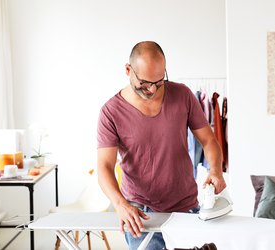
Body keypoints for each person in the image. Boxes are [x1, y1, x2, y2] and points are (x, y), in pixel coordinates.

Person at [97, 41, 226, 249]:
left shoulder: (183, 95)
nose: (152, 89)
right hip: (140, 213)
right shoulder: (111, 112)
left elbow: (209, 140)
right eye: (145, 83)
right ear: (128, 70)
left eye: (159, 82)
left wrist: (216, 171)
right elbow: (104, 166)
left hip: (186, 207)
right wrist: (120, 204)